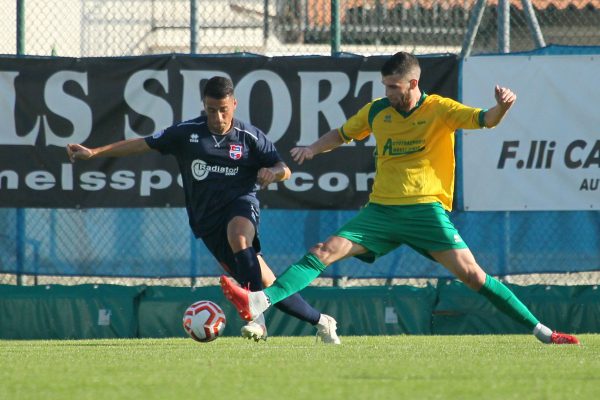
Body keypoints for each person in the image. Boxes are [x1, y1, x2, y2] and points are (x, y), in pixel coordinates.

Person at [220, 52, 580, 345]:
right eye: (386, 86)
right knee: (322, 251)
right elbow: (343, 133)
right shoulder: (378, 111)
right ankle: (258, 300)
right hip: (381, 213)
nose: (389, 92)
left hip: (426, 212)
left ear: (414, 83)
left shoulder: (439, 109)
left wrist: (502, 107)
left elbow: (485, 119)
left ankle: (543, 332)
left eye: (394, 86)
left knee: (473, 276)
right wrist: (313, 149)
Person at [67, 76, 340, 344]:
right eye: (211, 110)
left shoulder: (250, 137)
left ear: (234, 104)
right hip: (207, 222)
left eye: (223, 110)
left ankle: (256, 319)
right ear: (204, 106)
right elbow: (142, 143)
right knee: (270, 285)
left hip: (241, 204)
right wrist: (94, 152)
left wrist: (273, 173)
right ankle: (322, 322)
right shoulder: (187, 133)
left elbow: (285, 169)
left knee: (240, 236)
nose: (218, 117)